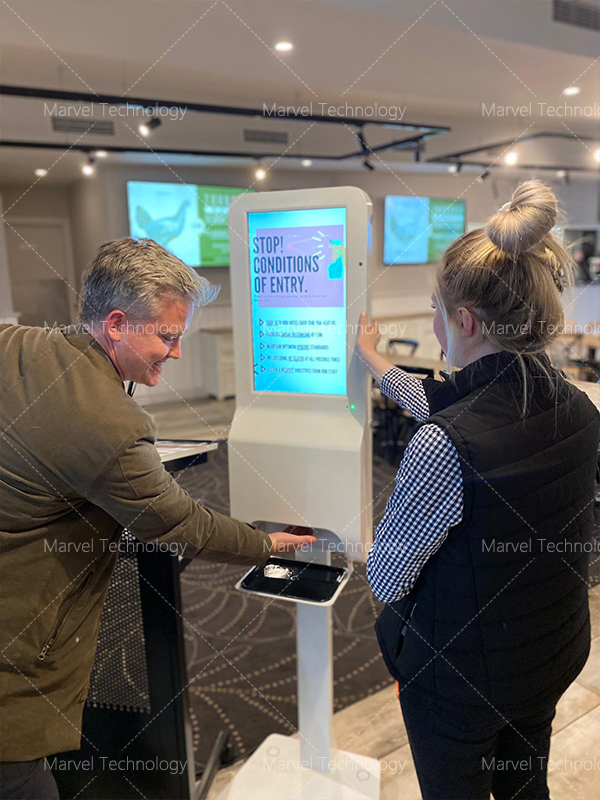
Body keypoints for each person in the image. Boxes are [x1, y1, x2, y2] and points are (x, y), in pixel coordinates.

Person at [0, 238, 316, 799]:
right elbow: (180, 525)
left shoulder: (17, 342)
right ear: (117, 323)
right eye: (167, 336)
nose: (174, 352)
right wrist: (267, 544)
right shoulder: (110, 426)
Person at [357, 180, 600, 799]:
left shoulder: (445, 444)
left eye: (437, 309)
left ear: (463, 319)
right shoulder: (576, 406)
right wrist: (377, 362)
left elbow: (386, 577)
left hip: (461, 681)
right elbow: (438, 403)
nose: (435, 323)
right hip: (550, 653)